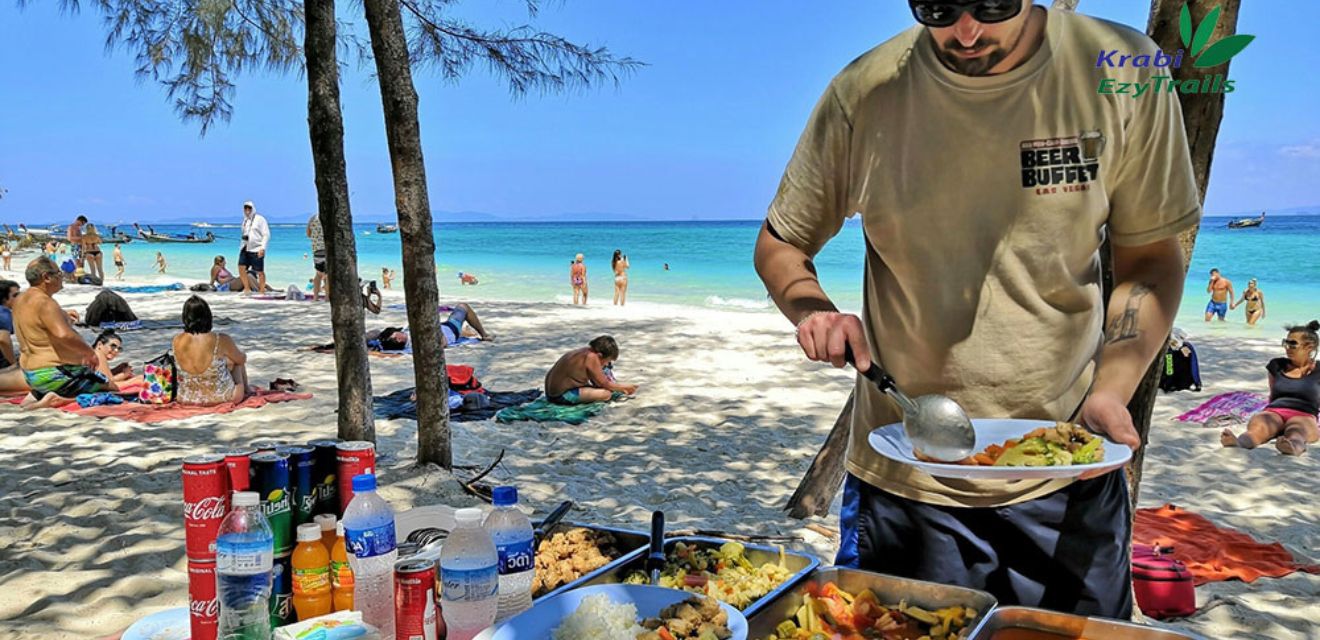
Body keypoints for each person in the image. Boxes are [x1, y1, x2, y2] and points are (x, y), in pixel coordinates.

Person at [754, 0, 1200, 618]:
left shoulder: (1120, 70)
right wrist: (814, 312)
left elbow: (1152, 258)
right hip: (905, 478)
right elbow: (782, 244)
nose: (965, 31)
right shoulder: (866, 92)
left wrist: (1112, 389)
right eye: (937, 7)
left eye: (993, 5)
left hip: (1067, 468)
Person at [13, 257, 108, 409]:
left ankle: (40, 395)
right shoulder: (45, 303)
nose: (62, 276)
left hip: (32, 375)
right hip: (54, 374)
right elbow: (63, 335)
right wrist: (89, 352)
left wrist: (63, 315)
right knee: (108, 387)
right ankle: (60, 399)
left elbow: (36, 321)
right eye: (58, 273)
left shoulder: (20, 299)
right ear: (46, 277)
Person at [1221, 321, 1320, 456]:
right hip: (1274, 412)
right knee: (1258, 430)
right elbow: (1273, 394)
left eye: (1293, 344)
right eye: (1285, 342)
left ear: (1309, 347)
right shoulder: (1277, 365)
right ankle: (1240, 443)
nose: (1287, 347)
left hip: (1304, 414)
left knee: (1297, 433)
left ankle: (1293, 447)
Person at [173, 295, 252, 405]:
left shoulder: (177, 340)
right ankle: (247, 389)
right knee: (236, 363)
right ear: (208, 316)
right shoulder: (220, 339)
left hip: (186, 398)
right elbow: (241, 360)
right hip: (222, 398)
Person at [544, 335, 638, 404]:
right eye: (607, 361)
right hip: (560, 396)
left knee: (602, 386)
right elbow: (604, 384)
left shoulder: (584, 351)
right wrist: (625, 388)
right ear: (600, 355)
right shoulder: (591, 357)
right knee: (606, 394)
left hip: (550, 392)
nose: (606, 364)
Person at [372, 302, 493, 350]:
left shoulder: (404, 337)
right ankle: (484, 335)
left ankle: (468, 332)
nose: (398, 335)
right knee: (463, 307)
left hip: (439, 326)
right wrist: (432, 324)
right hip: (450, 329)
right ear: (398, 340)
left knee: (377, 332)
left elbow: (375, 333)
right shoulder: (418, 343)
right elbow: (443, 343)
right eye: (396, 336)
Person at [238, 200, 271, 295]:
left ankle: (261, 290)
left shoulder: (260, 219)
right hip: (245, 247)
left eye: (249, 208)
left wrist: (263, 248)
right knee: (241, 267)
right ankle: (247, 289)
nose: (247, 210)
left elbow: (266, 234)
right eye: (245, 208)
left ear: (253, 209)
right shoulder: (245, 220)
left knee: (260, 271)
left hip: (256, 248)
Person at [307, 212, 329, 301]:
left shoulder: (313, 218)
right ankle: (327, 298)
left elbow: (308, 233)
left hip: (316, 249)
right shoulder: (330, 218)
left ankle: (315, 297)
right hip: (327, 249)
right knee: (327, 275)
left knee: (318, 274)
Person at [0, 279, 19, 370]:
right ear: (4, 298)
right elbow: (3, 340)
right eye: (15, 295)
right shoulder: (4, 313)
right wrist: (13, 364)